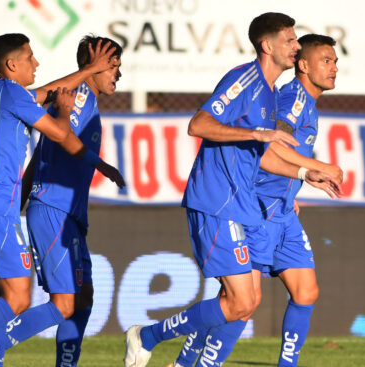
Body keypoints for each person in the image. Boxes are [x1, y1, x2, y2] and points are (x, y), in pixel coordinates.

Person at [124, 13, 338, 367]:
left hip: (245, 204)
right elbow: (199, 124)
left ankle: (167, 351)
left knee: (244, 303)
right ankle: (148, 337)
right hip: (218, 200)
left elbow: (265, 157)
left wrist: (302, 172)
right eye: (289, 40)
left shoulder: (270, 94)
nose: (296, 46)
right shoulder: (247, 79)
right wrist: (266, 140)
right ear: (267, 46)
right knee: (239, 303)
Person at [0, 33, 124, 367]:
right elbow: (60, 134)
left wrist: (85, 73)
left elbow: (48, 92)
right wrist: (68, 109)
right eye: (30, 57)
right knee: (22, 298)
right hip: (4, 208)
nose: (36, 63)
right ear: (12, 64)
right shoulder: (11, 91)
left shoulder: (0, 94)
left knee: (4, 301)